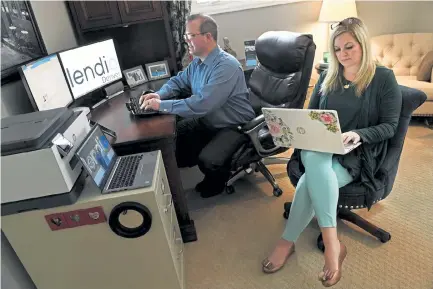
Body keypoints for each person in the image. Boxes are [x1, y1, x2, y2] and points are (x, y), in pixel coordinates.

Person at [261, 17, 402, 287]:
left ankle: (288, 242)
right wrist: (290, 127)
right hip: (320, 147)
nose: (343, 54)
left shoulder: (383, 78)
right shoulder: (327, 76)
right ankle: (332, 245)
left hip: (356, 153)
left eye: (349, 47)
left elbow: (390, 126)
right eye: (337, 49)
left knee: (306, 182)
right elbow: (311, 116)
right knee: (314, 154)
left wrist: (359, 134)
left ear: (363, 44)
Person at [139, 14, 255, 198]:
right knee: (174, 144)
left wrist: (161, 105)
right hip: (208, 120)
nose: (186, 41)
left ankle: (218, 181)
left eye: (190, 36)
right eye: (186, 37)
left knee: (208, 160)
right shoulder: (198, 62)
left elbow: (202, 104)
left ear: (208, 36)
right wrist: (159, 94)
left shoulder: (226, 66)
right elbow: (178, 81)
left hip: (234, 125)